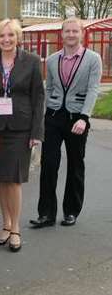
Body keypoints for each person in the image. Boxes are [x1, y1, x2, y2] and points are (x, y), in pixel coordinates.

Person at [0, 18, 45, 252]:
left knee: (13, 180)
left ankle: (15, 228)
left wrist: (37, 132)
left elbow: (38, 98)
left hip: (20, 129)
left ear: (18, 37)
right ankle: (5, 225)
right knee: (0, 179)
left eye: (11, 35)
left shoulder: (32, 62)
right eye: (2, 36)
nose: (6, 40)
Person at [31, 17, 102, 229]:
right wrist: (46, 113)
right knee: (49, 165)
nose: (71, 35)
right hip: (54, 117)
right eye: (67, 31)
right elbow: (50, 88)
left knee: (75, 164)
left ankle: (71, 211)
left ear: (81, 34)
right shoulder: (53, 59)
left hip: (77, 118)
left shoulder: (92, 59)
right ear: (61, 34)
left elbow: (93, 89)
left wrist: (84, 117)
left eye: (75, 31)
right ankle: (46, 214)